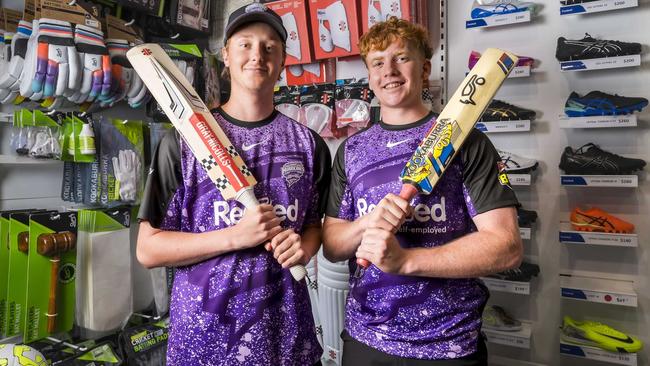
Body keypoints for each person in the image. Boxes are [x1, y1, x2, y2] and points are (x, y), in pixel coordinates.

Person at [136, 3, 330, 364]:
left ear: (282, 59)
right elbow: (148, 250)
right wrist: (235, 236)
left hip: (286, 344)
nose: (258, 54)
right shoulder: (183, 143)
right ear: (225, 54)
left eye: (270, 46)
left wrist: (303, 248)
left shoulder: (309, 146)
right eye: (245, 44)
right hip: (203, 346)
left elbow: (315, 226)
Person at [322, 17, 523, 365]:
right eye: (378, 63)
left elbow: (506, 247)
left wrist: (406, 260)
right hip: (365, 339)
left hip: (448, 343)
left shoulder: (467, 143)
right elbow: (332, 246)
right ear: (369, 76)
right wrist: (366, 223)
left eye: (402, 58)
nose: (389, 71)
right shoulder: (351, 151)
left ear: (425, 67)